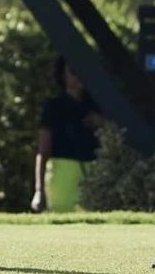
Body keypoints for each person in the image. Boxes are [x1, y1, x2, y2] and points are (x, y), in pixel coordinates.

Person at [30, 56, 106, 213]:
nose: (79, 75)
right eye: (73, 71)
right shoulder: (53, 107)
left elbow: (117, 137)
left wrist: (102, 123)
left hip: (94, 174)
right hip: (62, 176)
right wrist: (39, 190)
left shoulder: (99, 106)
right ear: (63, 75)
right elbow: (43, 151)